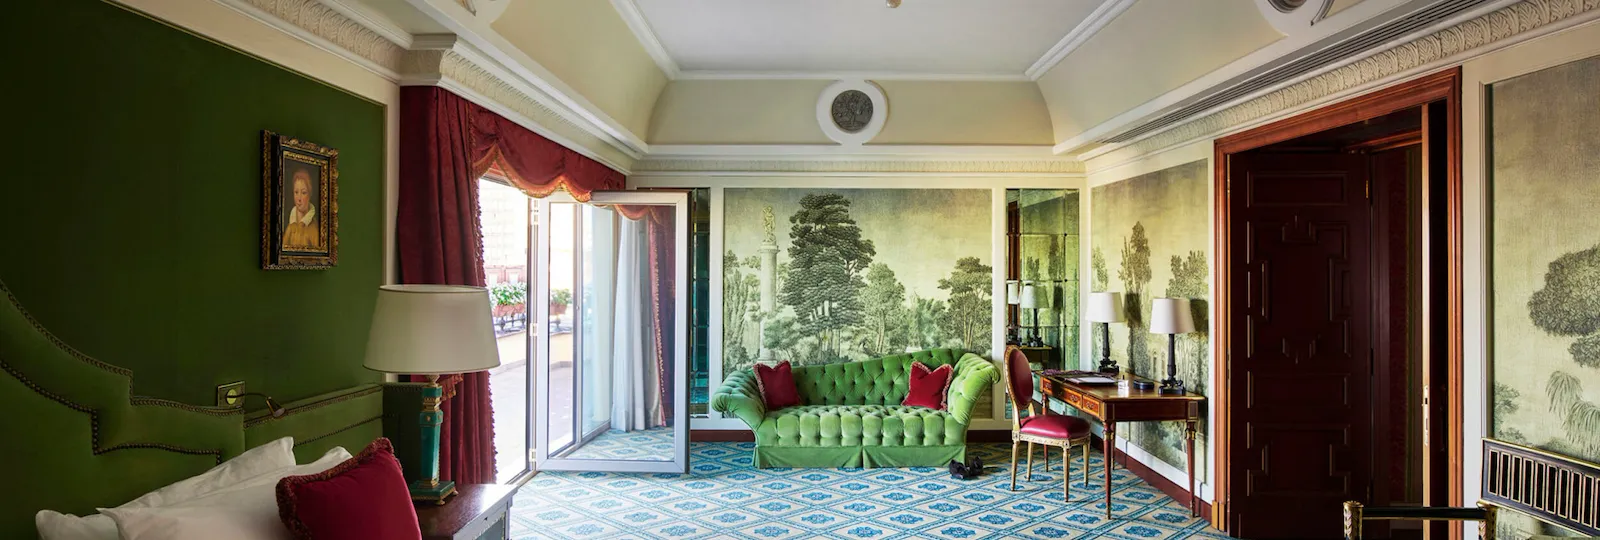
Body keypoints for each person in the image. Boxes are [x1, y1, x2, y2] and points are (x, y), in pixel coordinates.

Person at [281, 169, 321, 251]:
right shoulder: (290, 227)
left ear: (309, 195)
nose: (299, 198)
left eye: (303, 193)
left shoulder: (313, 228)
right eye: (296, 192)